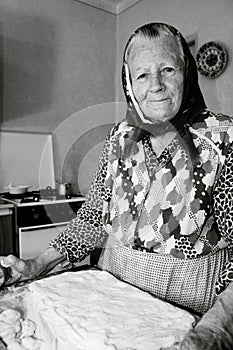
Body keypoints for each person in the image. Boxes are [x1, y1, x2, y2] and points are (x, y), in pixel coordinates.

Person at [1, 22, 233, 349]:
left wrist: (212, 334)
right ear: (128, 82)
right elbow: (95, 216)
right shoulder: (121, 137)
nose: (156, 85)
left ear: (187, 72)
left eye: (167, 69)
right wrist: (35, 265)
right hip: (109, 298)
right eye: (141, 75)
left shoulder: (222, 139)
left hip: (187, 311)